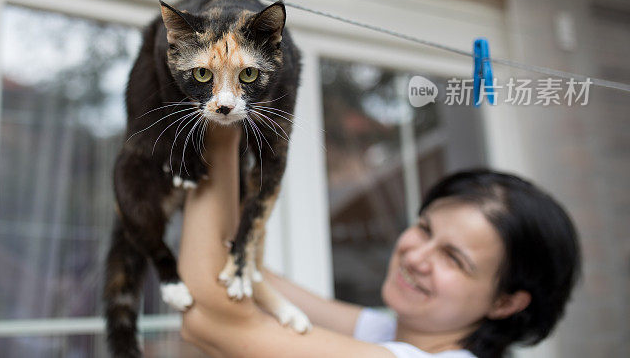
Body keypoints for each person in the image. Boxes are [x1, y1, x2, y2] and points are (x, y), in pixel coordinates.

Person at [178, 124, 581, 358]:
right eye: (424, 228)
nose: (415, 255)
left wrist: (217, 129)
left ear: (505, 302)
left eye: (454, 259)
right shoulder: (388, 333)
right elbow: (244, 271)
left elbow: (210, 319)